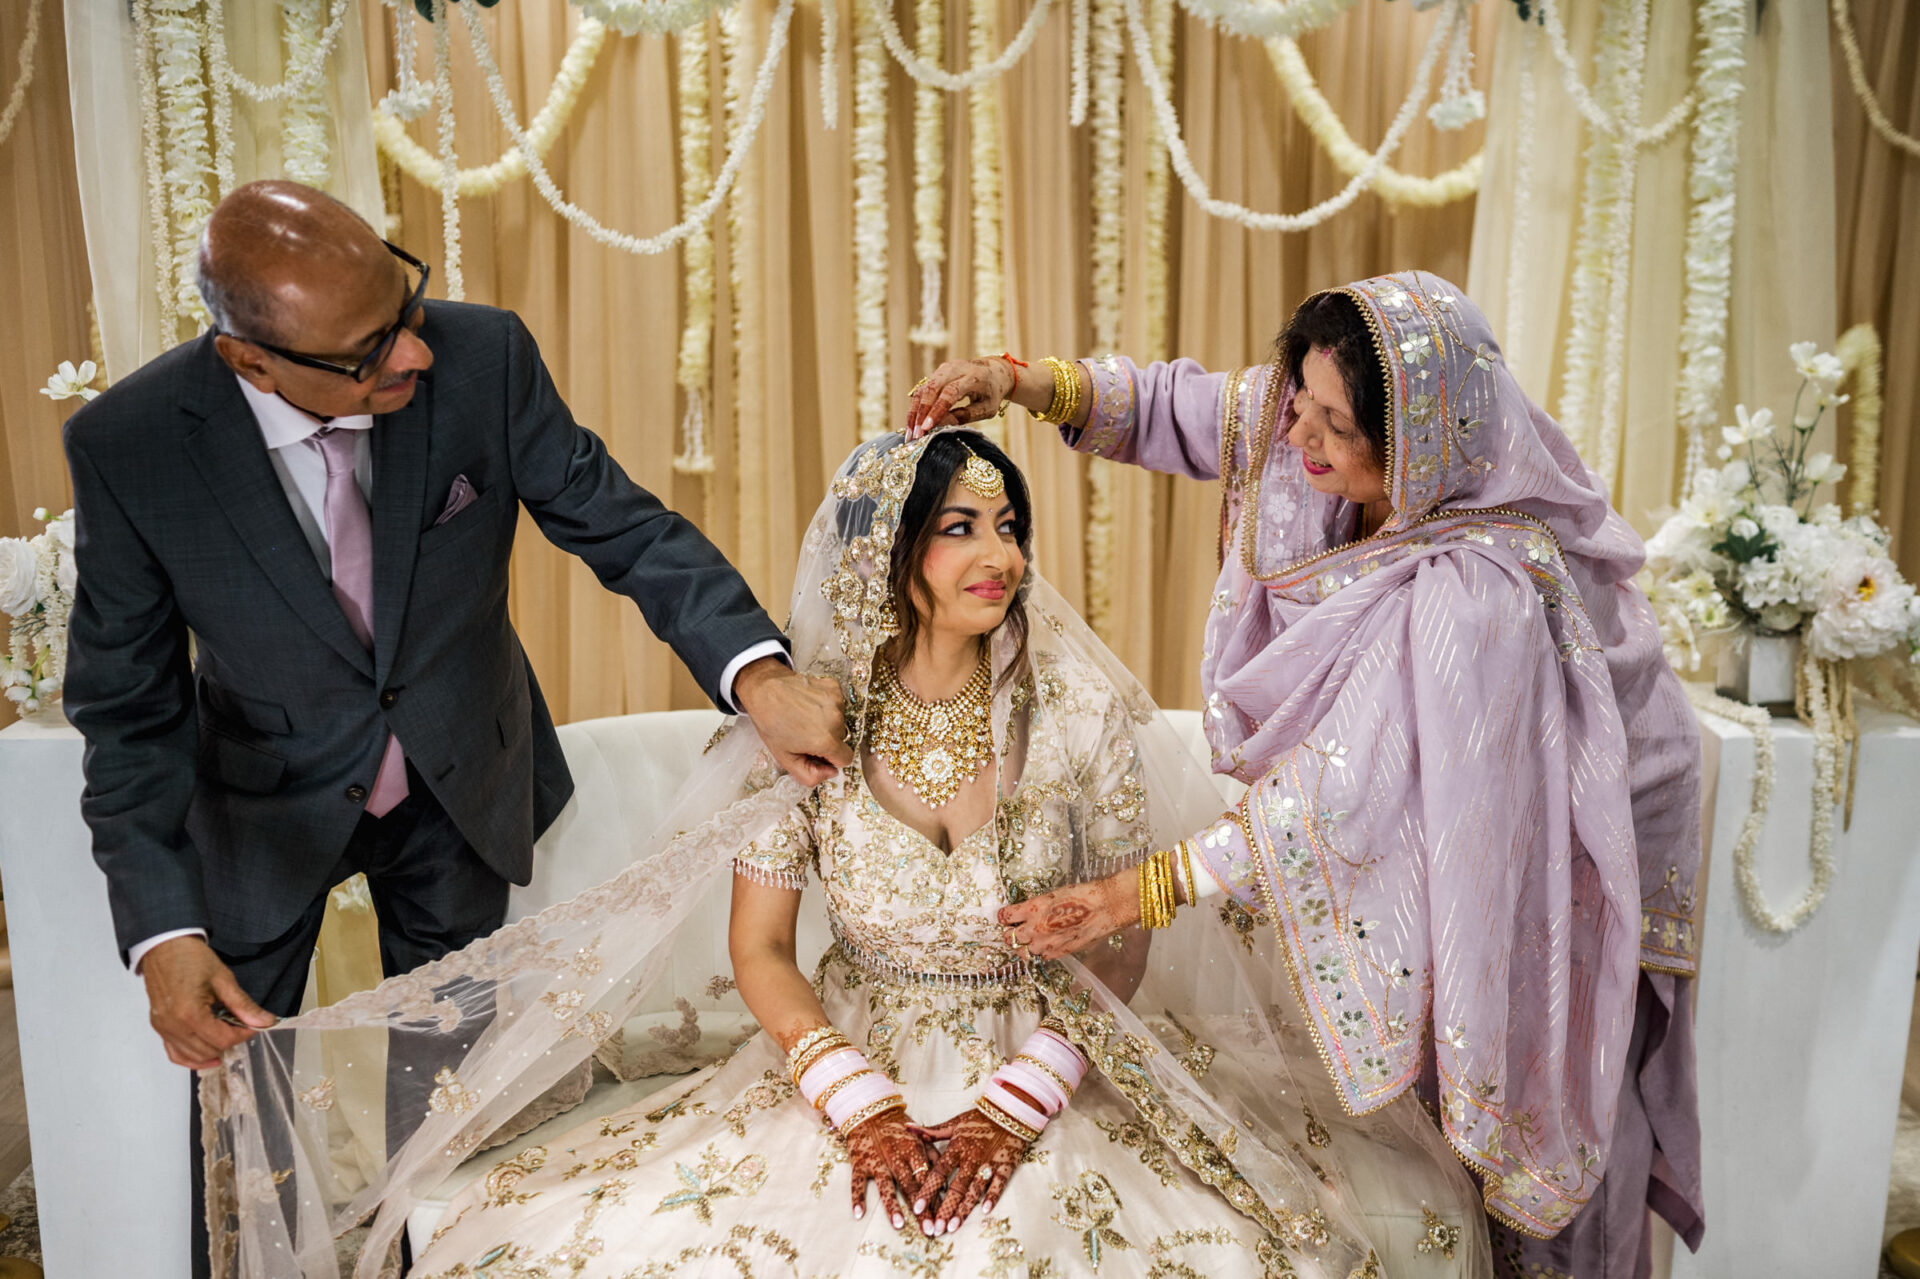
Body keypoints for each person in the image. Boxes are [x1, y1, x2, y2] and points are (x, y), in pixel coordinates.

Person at [206, 430, 1492, 1278]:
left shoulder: (1078, 711)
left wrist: (1018, 1100)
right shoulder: (810, 718)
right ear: (892, 550)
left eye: (1009, 524)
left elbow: (1127, 933)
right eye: (960, 529)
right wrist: (859, 1101)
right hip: (848, 1065)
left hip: (1053, 1054)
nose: (1001, 556)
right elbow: (760, 949)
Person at [61, 180, 849, 1276]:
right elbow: (128, 709)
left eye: (409, 307)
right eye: (370, 349)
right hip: (258, 805)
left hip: (457, 780)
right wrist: (161, 930)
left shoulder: (485, 358)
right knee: (240, 1125)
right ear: (252, 361)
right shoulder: (133, 444)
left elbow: (622, 526)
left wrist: (756, 674)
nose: (415, 355)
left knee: (451, 1105)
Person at [910, 272, 1705, 1279]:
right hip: (1404, 808)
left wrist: (1135, 891)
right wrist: (1015, 383)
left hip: (1535, 850)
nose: (1299, 438)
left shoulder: (1480, 588)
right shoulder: (1305, 435)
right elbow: (1176, 407)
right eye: (1301, 405)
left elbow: (1337, 794)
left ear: (1420, 439)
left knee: (1498, 1104)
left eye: (1336, 426)